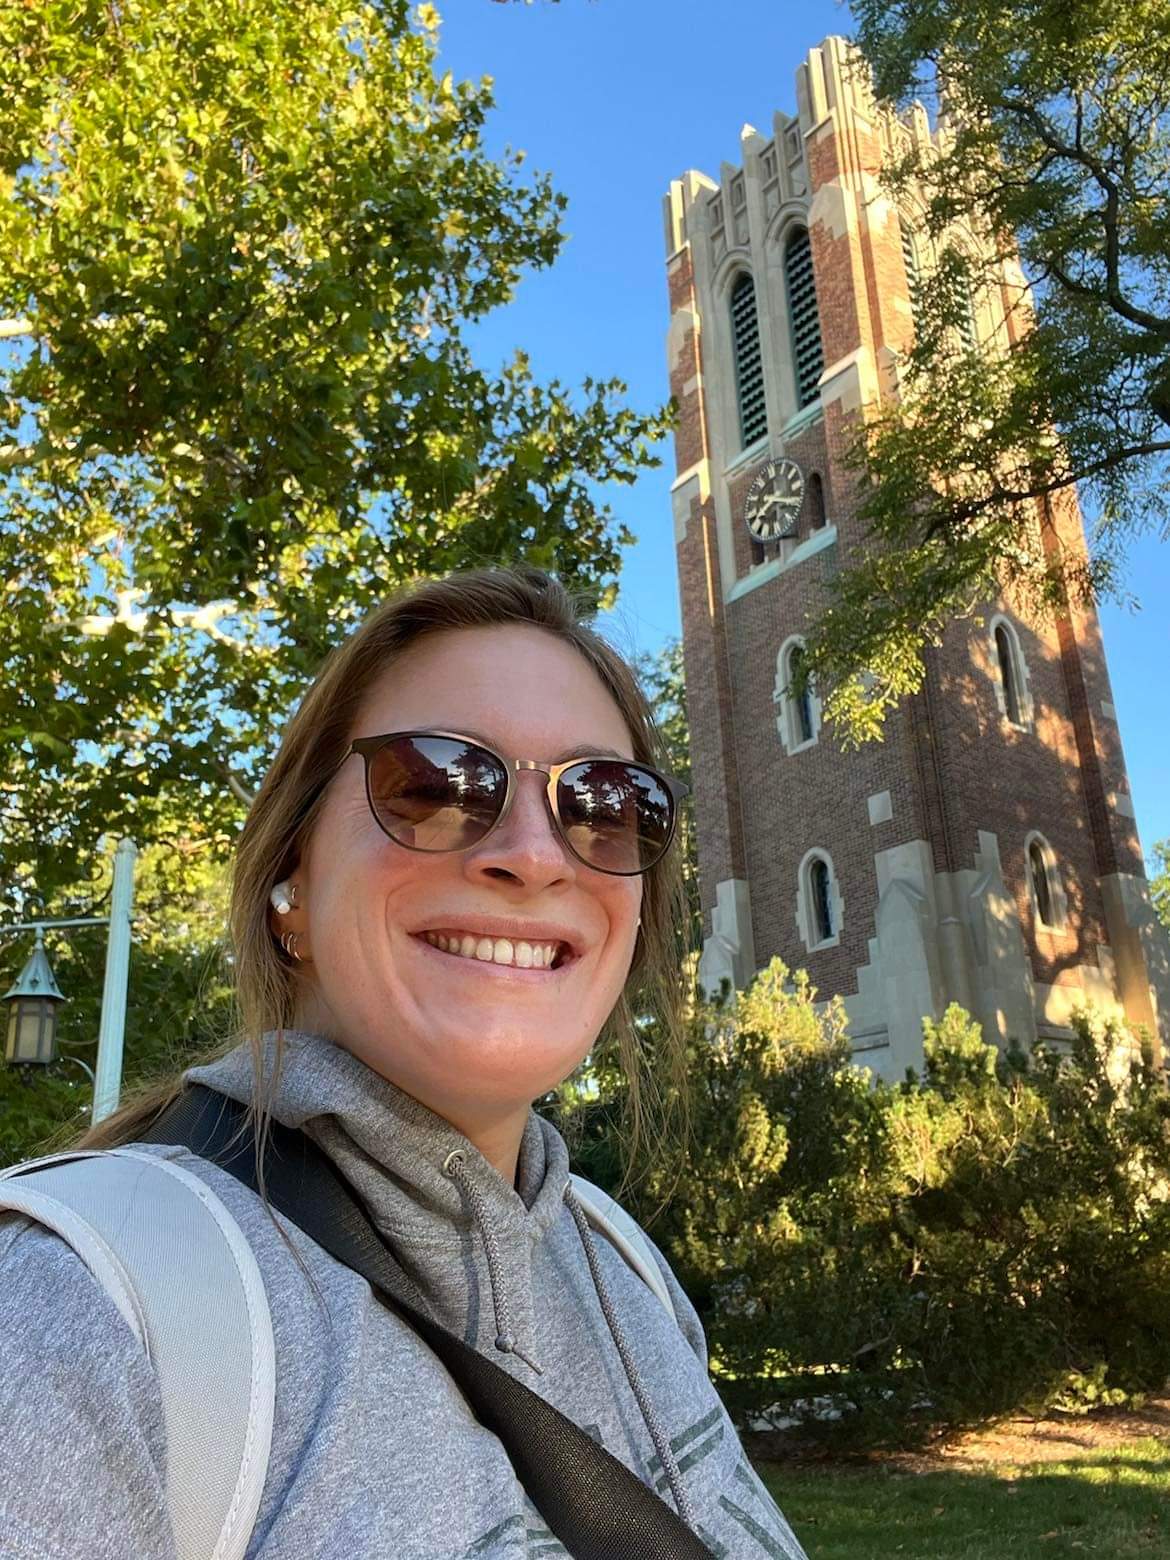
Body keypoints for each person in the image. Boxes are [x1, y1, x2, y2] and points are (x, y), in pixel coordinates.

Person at [0, 567, 807, 1559]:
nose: (537, 855)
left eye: (605, 804)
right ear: (290, 879)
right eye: (434, 782)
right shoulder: (69, 1315)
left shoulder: (625, 1266)